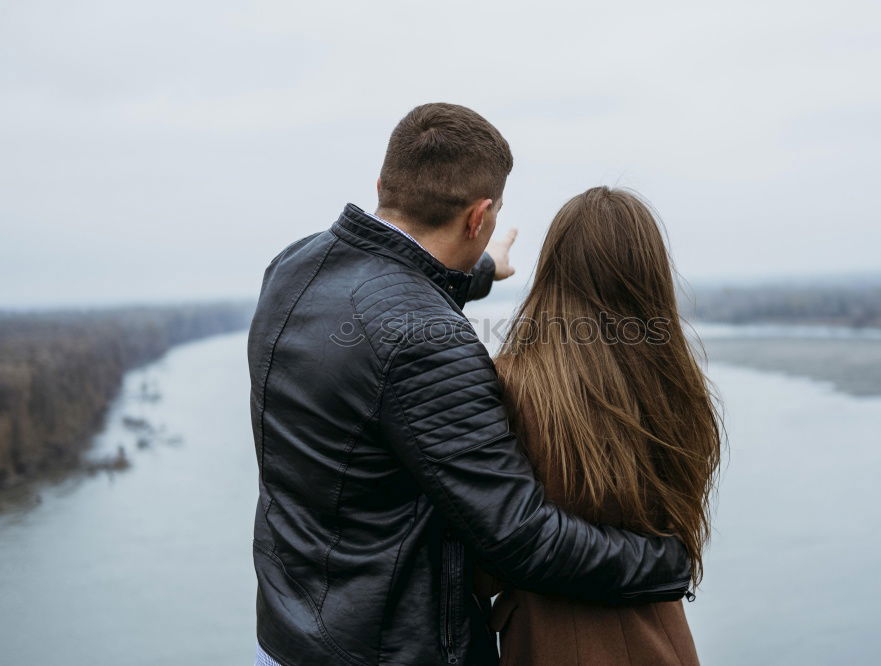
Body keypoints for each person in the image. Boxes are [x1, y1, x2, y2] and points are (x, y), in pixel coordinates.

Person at [247, 104, 692, 666]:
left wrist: (482, 270)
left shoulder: (294, 266)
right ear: (478, 217)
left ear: (384, 184)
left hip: (288, 636)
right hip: (384, 652)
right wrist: (668, 564)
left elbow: (385, 307)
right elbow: (519, 535)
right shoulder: (429, 344)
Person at [483, 187, 723, 665]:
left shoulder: (509, 383)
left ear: (553, 272)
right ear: (651, 275)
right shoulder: (681, 387)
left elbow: (486, 558)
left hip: (551, 644)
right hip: (664, 640)